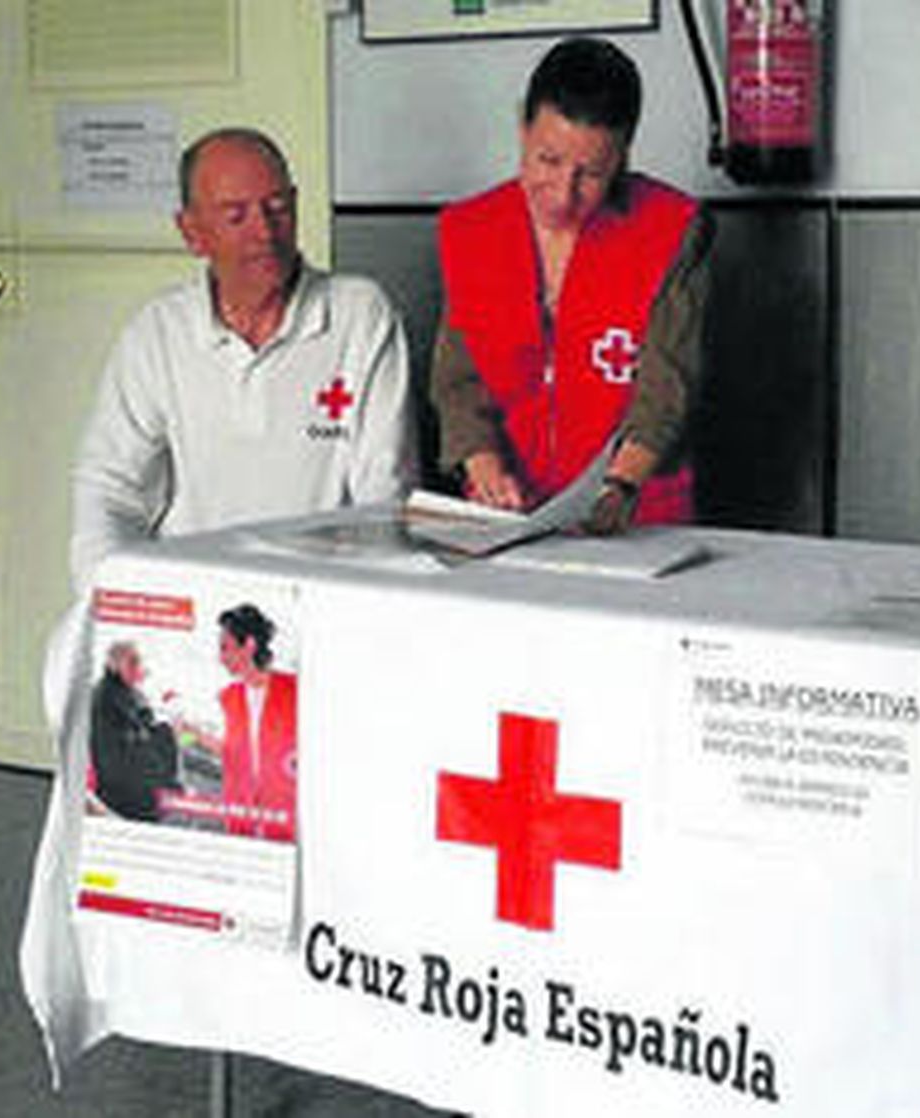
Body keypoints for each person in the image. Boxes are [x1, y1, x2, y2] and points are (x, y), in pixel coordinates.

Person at [69, 127, 416, 591]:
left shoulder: (359, 315)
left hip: (320, 594)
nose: (265, 232)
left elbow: (385, 495)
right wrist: (112, 597)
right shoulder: (157, 333)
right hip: (193, 596)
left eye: (277, 209)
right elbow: (109, 490)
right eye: (237, 216)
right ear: (192, 233)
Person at [431, 37, 713, 535]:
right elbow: (459, 382)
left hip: (635, 510)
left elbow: (667, 388)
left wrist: (619, 488)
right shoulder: (470, 231)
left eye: (591, 174)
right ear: (523, 127)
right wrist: (485, 469)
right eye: (547, 160)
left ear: (623, 155)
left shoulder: (672, 229)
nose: (563, 194)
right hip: (507, 511)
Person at [215, 603, 297, 842]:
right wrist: (192, 732)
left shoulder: (294, 690)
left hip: (288, 823)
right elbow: (234, 753)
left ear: (249, 645)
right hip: (243, 820)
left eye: (226, 648)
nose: (221, 658)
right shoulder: (228, 696)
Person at [88, 642, 182, 823]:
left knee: (168, 734)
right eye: (132, 663)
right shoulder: (108, 696)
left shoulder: (122, 692)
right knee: (167, 734)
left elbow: (141, 725)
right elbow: (131, 739)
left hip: (121, 779)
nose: (138, 668)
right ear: (113, 665)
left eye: (139, 662)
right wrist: (167, 731)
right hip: (122, 792)